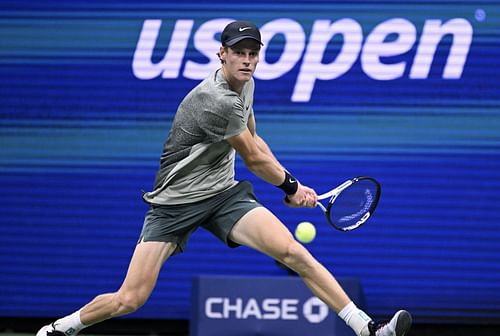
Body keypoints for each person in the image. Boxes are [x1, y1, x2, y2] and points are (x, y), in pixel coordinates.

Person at [36, 20, 412, 336]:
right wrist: (291, 188)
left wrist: (293, 185)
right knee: (130, 299)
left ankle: (367, 328)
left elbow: (256, 142)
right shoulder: (216, 100)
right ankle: (61, 328)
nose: (247, 60)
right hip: (175, 204)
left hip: (222, 195)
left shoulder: (246, 85)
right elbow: (251, 158)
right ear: (222, 53)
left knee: (294, 252)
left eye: (253, 53)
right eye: (239, 52)